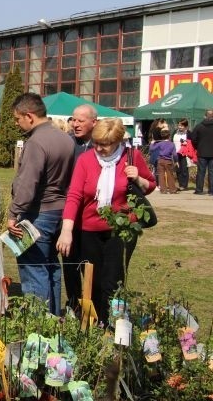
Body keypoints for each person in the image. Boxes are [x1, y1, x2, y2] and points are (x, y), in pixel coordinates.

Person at [57, 119, 156, 326]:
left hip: (121, 230)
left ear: (118, 141)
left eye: (105, 144)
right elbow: (74, 195)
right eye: (96, 143)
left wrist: (138, 178)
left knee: (113, 280)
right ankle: (94, 323)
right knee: (93, 280)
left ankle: (113, 325)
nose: (99, 149)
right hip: (89, 230)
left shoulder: (132, 157)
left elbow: (149, 186)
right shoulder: (85, 160)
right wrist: (67, 230)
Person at [8, 93, 75, 316]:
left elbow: (28, 183)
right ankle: (53, 316)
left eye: (18, 119)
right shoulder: (66, 138)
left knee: (34, 269)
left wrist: (13, 213)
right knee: (51, 267)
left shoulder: (36, 142)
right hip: (60, 212)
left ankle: (39, 326)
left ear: (29, 116)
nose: (17, 124)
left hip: (39, 212)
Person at [64, 104, 98, 311]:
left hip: (91, 215)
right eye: (73, 120)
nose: (75, 124)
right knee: (69, 262)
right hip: (68, 213)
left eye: (81, 120)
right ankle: (73, 304)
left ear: (94, 122)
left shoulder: (101, 145)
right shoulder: (68, 143)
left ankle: (92, 307)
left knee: (90, 265)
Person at [189, 109, 213, 195]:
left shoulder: (199, 126)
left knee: (201, 172)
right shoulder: (199, 126)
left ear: (205, 116)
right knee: (212, 172)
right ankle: (211, 191)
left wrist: (197, 147)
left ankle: (199, 190)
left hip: (202, 151)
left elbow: (193, 138)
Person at [150, 129, 178, 194]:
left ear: (161, 136)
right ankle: (172, 189)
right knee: (170, 175)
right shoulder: (172, 144)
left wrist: (152, 143)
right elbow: (174, 154)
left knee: (161, 175)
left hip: (160, 160)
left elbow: (152, 149)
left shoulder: (160, 143)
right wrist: (176, 161)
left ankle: (163, 190)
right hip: (168, 161)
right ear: (169, 136)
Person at [173, 119, 190, 190]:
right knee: (178, 169)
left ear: (185, 126)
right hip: (176, 153)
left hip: (184, 154)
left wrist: (187, 143)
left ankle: (184, 185)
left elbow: (192, 143)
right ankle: (180, 184)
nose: (180, 127)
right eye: (179, 125)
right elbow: (172, 141)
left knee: (184, 169)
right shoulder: (175, 133)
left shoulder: (188, 133)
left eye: (182, 126)